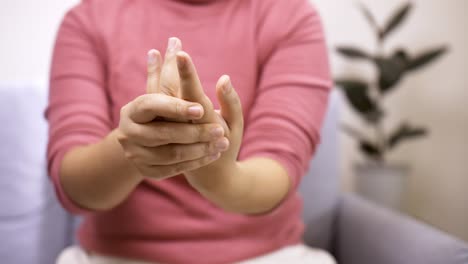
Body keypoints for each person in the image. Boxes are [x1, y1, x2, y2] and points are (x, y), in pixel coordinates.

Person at [47, 0, 334, 263]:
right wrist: (132, 149)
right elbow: (73, 185)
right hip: (116, 255)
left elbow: (279, 168)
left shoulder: (290, 17)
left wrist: (217, 174)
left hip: (266, 255)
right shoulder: (89, 19)